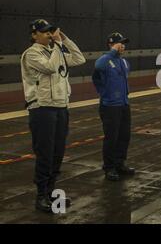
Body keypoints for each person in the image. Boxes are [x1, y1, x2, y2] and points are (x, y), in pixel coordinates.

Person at [21, 19, 86, 212]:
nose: (49, 35)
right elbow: (49, 67)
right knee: (45, 154)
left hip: (60, 107)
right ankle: (41, 195)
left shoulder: (56, 50)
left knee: (58, 152)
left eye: (51, 32)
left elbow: (79, 58)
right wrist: (58, 45)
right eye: (44, 32)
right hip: (42, 108)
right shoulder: (32, 53)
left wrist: (64, 39)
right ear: (34, 35)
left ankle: (51, 192)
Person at [92, 32, 135, 182]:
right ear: (111, 44)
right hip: (110, 106)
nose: (122, 46)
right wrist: (112, 52)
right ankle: (109, 167)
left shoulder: (123, 62)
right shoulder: (105, 59)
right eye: (119, 43)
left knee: (124, 136)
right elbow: (98, 66)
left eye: (124, 43)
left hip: (123, 104)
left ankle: (120, 163)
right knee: (111, 137)